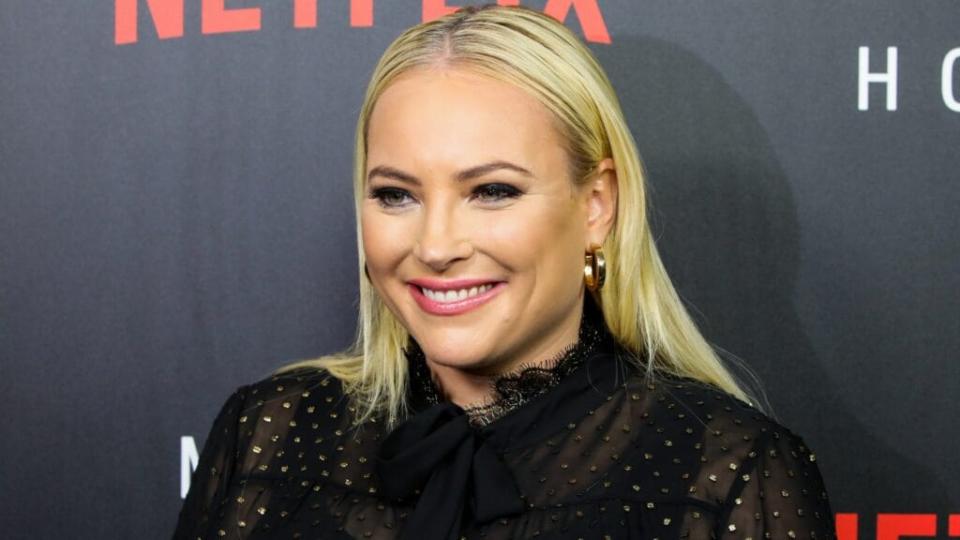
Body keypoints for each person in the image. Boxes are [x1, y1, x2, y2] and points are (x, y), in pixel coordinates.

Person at [173, 4, 834, 539]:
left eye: (492, 191)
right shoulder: (271, 432)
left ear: (597, 204)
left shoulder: (728, 474)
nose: (435, 245)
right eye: (396, 195)